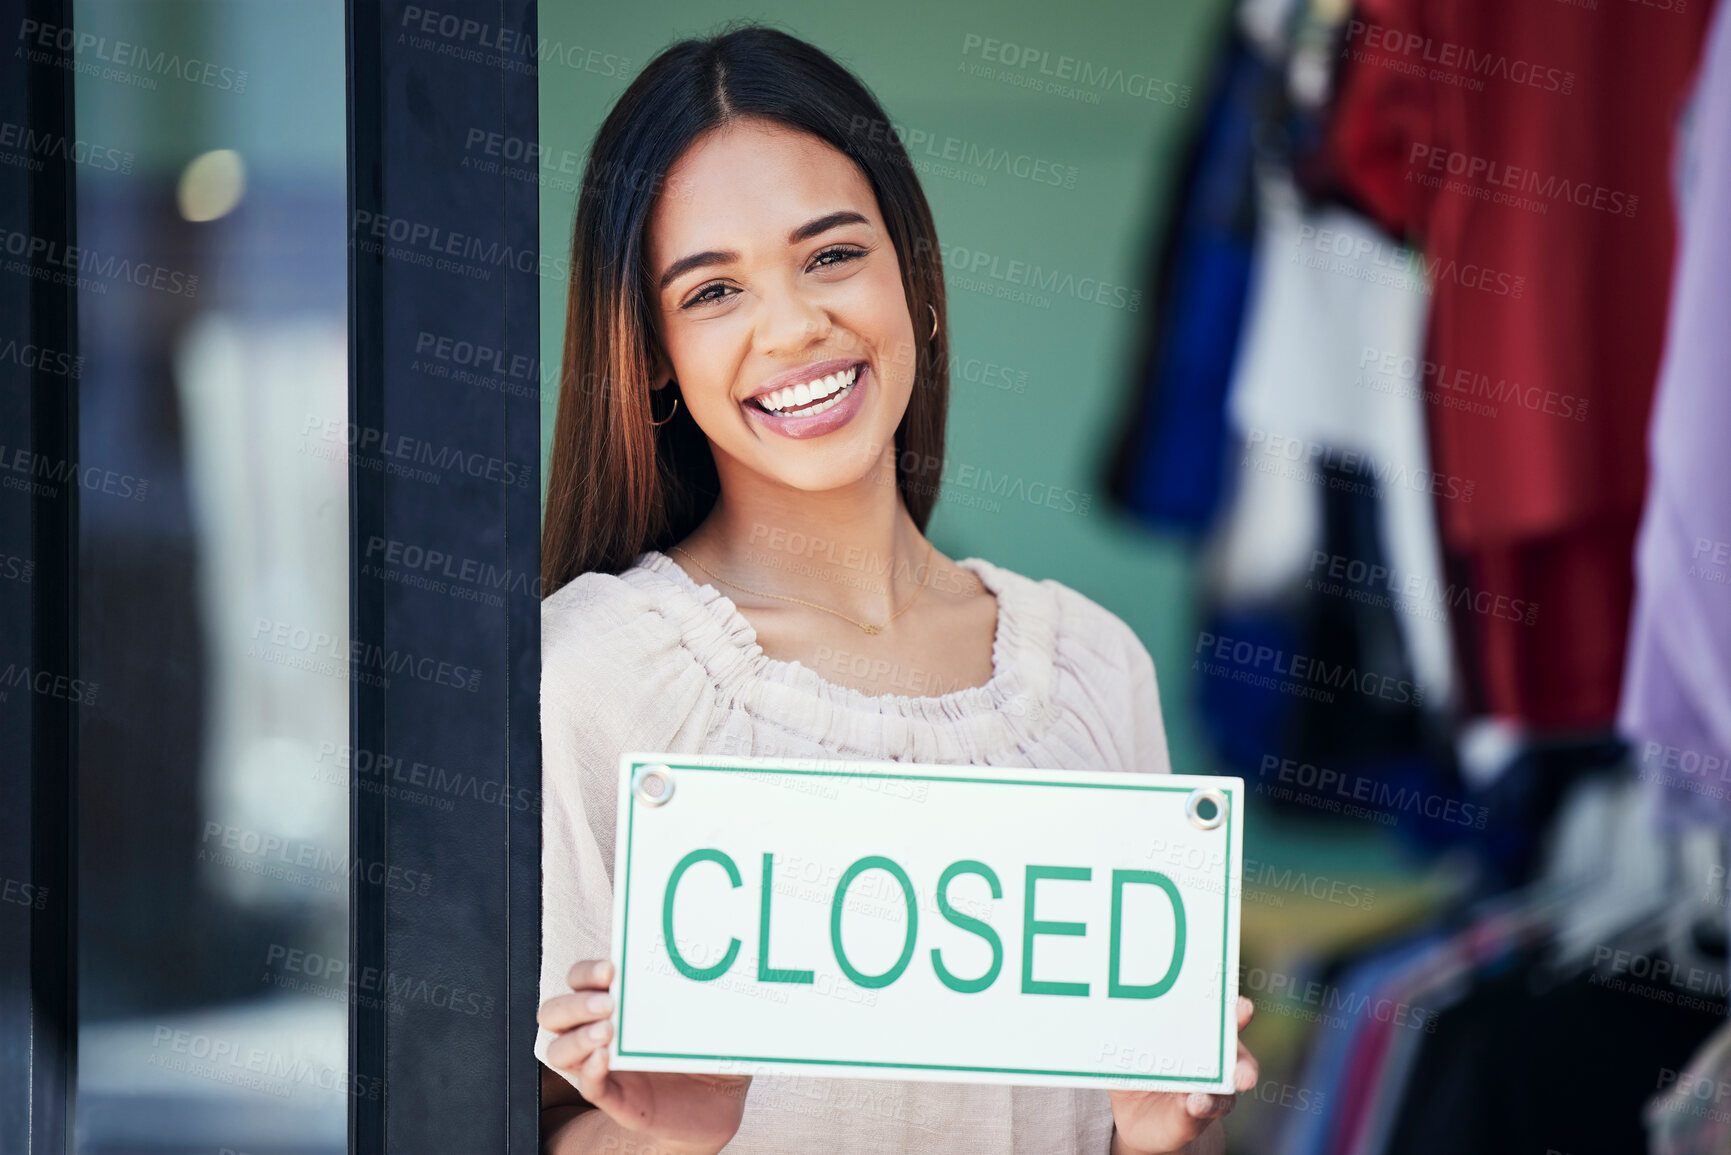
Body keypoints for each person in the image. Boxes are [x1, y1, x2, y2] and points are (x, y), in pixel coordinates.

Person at [534, 24, 1259, 1155]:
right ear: (653, 357)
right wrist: (679, 1136)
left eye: (831, 255)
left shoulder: (1095, 669)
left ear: (913, 278)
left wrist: (1158, 1140)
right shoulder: (593, 677)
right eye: (714, 290)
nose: (793, 326)